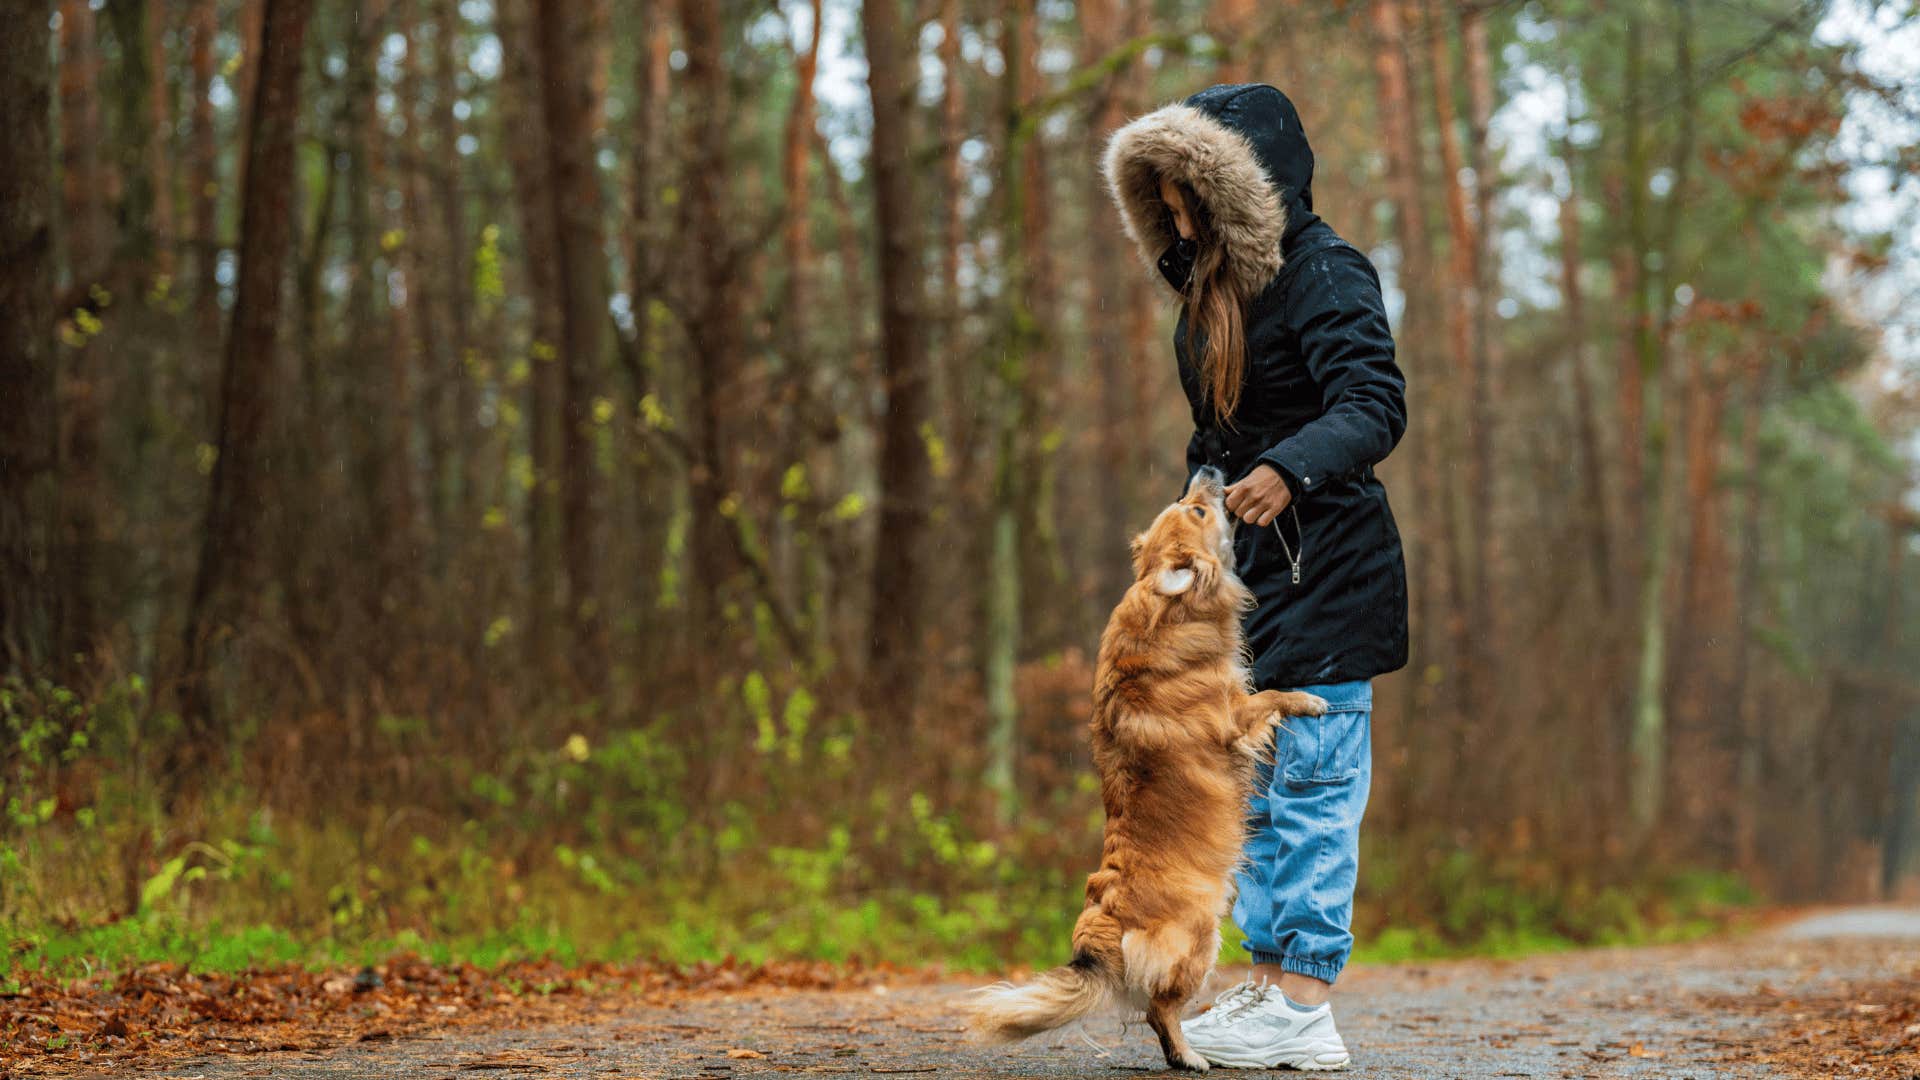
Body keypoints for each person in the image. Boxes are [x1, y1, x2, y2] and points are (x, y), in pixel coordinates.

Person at [1100, 83, 1410, 1071]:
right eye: (1164, 197)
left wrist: (1291, 467)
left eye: (1190, 191)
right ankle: (1271, 987)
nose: (1177, 213)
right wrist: (1199, 496)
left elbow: (1374, 401)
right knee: (1260, 794)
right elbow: (1221, 430)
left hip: (1331, 571)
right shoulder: (1214, 295)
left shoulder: (1325, 274)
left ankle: (1305, 998)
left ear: (1242, 186)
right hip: (1253, 590)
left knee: (1315, 788)